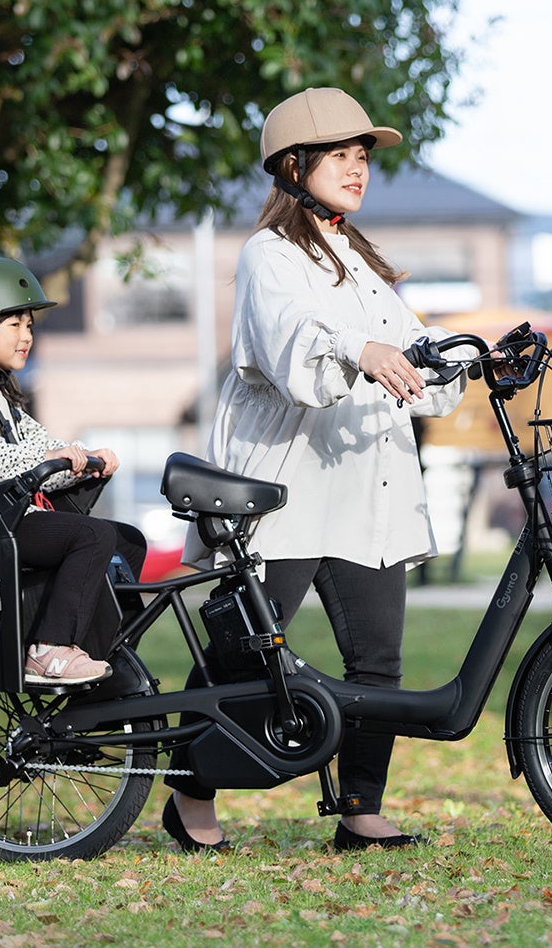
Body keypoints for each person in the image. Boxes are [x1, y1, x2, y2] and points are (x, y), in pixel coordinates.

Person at [166, 87, 469, 854]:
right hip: (288, 485)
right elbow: (295, 341)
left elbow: (412, 346)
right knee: (245, 651)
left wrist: (468, 355)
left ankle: (361, 809)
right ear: (295, 165)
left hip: (367, 486)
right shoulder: (270, 256)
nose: (358, 167)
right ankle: (188, 797)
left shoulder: (359, 260)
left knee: (379, 657)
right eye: (342, 154)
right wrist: (360, 350)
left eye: (363, 155)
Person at [0, 255, 147, 687]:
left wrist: (83, 458)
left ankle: (103, 649)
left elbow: (42, 445)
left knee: (127, 541)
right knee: (91, 535)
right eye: (15, 326)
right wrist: (60, 458)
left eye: (29, 326)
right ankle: (48, 650)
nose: (27, 337)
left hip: (13, 520)